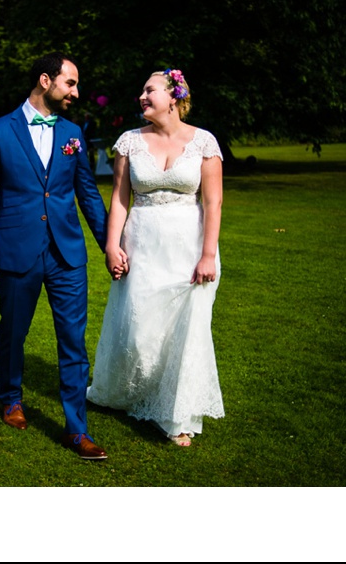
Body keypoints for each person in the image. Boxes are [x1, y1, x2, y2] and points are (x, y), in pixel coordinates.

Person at [0, 52, 110, 460]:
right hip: (17, 253)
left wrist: (110, 246)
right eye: (71, 83)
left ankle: (76, 429)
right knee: (13, 332)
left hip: (68, 255)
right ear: (46, 80)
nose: (76, 93)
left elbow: (87, 192)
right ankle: (11, 398)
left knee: (73, 341)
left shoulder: (73, 132)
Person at [87, 68, 224, 447]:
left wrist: (208, 254)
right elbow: (119, 198)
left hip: (189, 248)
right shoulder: (129, 142)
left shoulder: (204, 143)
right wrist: (112, 246)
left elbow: (213, 203)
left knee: (187, 330)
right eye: (142, 91)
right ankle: (132, 391)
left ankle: (175, 415)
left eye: (150, 90)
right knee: (141, 329)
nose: (142, 97)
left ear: (174, 97)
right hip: (142, 244)